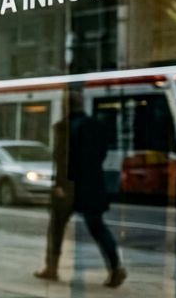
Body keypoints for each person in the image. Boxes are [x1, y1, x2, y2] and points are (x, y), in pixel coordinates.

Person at [36, 89, 126, 287]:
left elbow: (62, 159)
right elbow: (101, 154)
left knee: (56, 226)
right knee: (97, 227)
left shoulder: (63, 127)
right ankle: (116, 267)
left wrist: (60, 185)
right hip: (93, 184)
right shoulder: (97, 125)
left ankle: (52, 268)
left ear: (65, 106)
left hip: (69, 185)